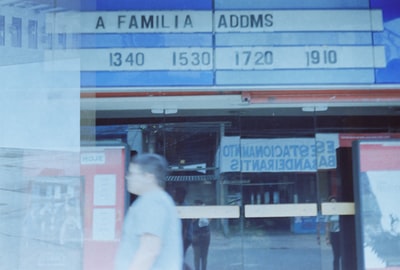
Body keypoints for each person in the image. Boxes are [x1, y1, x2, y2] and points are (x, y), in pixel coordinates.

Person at [114, 153, 183, 270]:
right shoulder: (157, 199)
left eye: (132, 173)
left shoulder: (152, 201)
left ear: (148, 177)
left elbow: (149, 250)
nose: (127, 177)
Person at [191, 200, 211, 270]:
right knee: (197, 256)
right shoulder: (192, 212)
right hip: (196, 235)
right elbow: (191, 220)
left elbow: (209, 220)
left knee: (204, 256)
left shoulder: (206, 212)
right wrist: (197, 214)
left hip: (205, 234)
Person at [325, 195, 341, 270]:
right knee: (336, 255)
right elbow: (327, 227)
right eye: (331, 202)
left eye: (334, 202)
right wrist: (327, 238)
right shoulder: (329, 214)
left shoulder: (340, 212)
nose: (333, 204)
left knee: (343, 254)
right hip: (334, 234)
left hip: (341, 234)